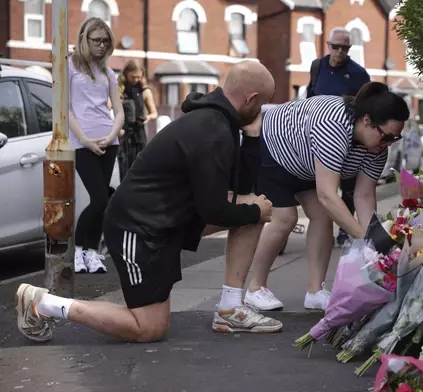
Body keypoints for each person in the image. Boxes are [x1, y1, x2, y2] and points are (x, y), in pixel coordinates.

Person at [14, 61, 283, 344]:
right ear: (251, 99)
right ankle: (42, 303)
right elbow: (213, 210)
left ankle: (230, 307)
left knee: (254, 206)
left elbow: (240, 189)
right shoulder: (211, 131)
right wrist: (253, 210)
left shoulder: (221, 123)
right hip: (137, 228)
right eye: (262, 105)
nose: (260, 112)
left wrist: (252, 139)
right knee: (149, 328)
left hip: (164, 221)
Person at [244, 82, 410, 311]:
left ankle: (315, 291)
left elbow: (363, 195)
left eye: (395, 139)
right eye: (386, 137)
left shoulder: (377, 147)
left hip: (307, 162)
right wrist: (362, 238)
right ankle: (255, 288)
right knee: (285, 218)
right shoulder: (333, 127)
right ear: (367, 121)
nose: (388, 145)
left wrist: (376, 241)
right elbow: (327, 194)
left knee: (323, 216)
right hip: (274, 146)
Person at [68, 18, 124, 274]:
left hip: (108, 141)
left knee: (103, 202)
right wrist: (86, 141)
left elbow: (119, 112)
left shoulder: (109, 74)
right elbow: (65, 111)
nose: (102, 46)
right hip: (82, 143)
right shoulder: (68, 67)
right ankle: (79, 250)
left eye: (106, 41)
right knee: (99, 198)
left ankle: (92, 253)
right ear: (84, 39)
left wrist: (112, 134)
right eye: (97, 40)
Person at [306, 27, 371, 248]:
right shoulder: (317, 66)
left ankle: (345, 230)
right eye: (335, 47)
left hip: (347, 138)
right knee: (319, 186)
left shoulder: (359, 74)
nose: (339, 52)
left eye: (345, 48)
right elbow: (310, 96)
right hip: (318, 136)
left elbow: (366, 108)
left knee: (349, 187)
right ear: (328, 45)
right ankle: (320, 226)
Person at [116, 59, 158, 181]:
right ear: (126, 74)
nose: (135, 80)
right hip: (123, 135)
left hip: (139, 135)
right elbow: (109, 106)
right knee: (124, 171)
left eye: (138, 77)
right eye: (133, 77)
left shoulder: (145, 91)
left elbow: (154, 113)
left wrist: (146, 119)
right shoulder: (119, 90)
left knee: (140, 169)